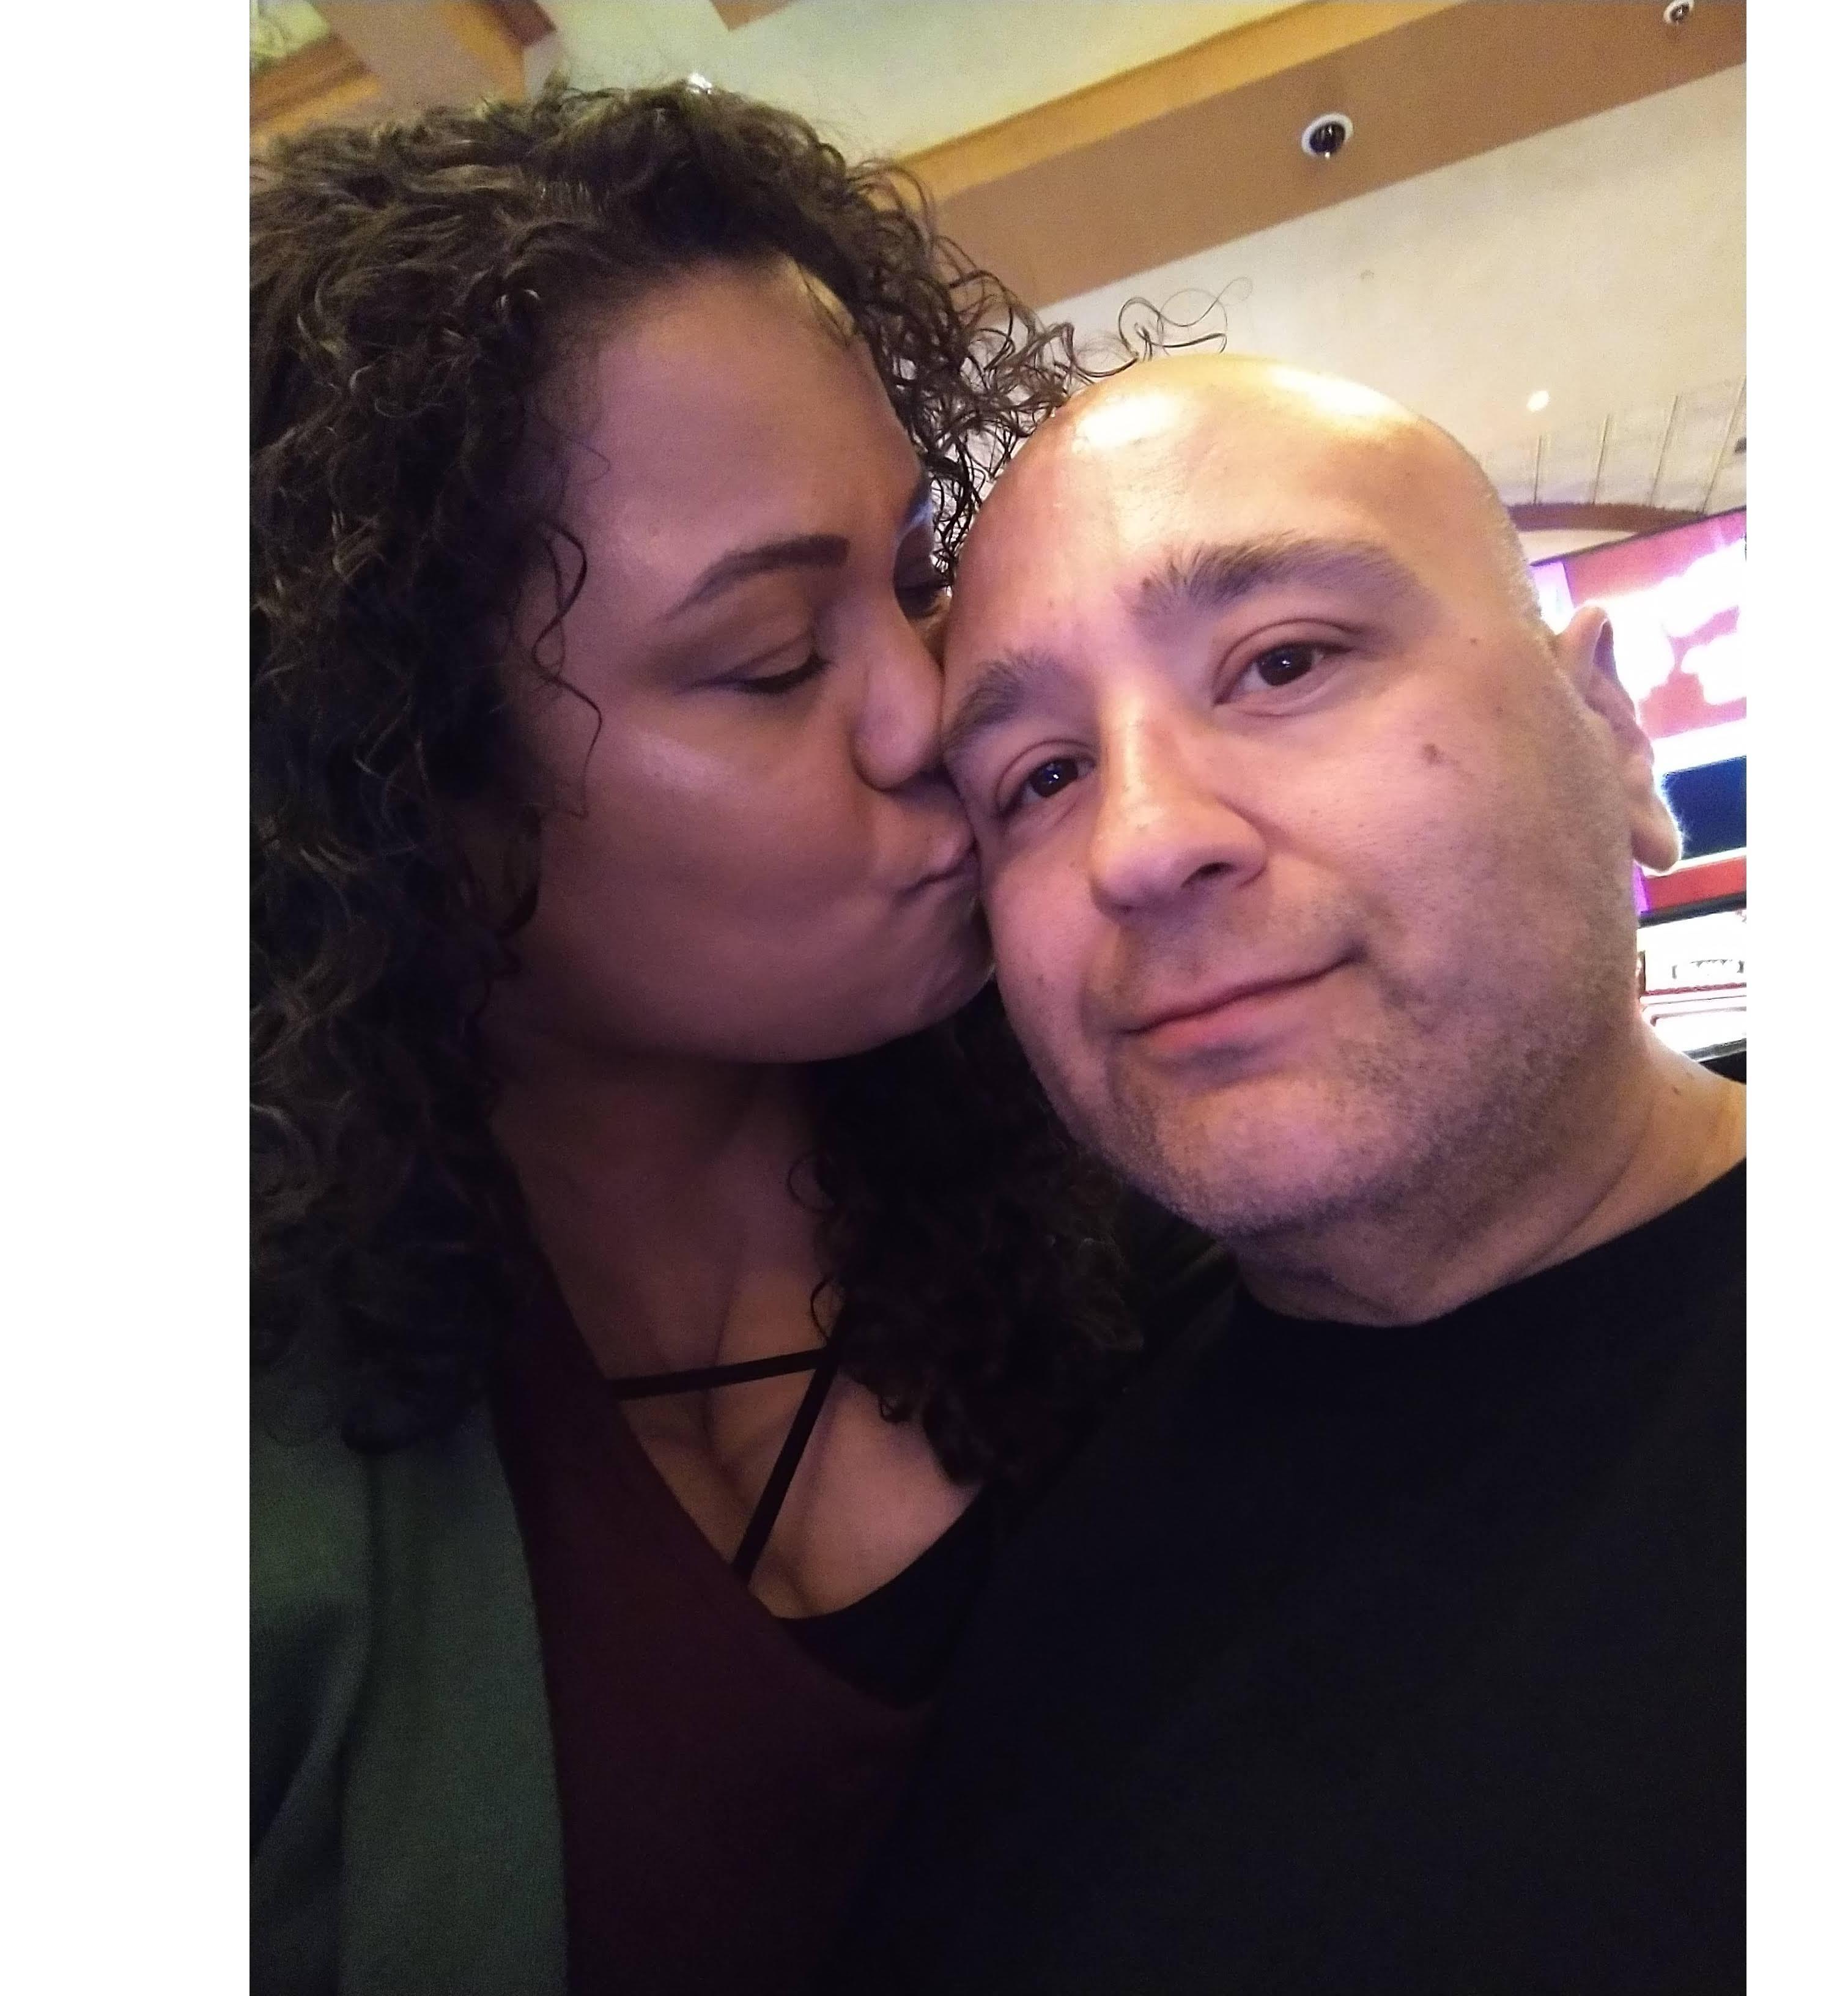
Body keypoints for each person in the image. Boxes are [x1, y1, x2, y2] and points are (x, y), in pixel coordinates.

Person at [249, 82, 1177, 1996]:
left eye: (914, 575)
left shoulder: (1138, 1116)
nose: (929, 713)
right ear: (412, 785)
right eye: (770, 662)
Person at [824, 356, 1748, 1993]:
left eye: (1284, 662)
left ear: (1610, 731)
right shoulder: (1019, 1472)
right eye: (1042, 777)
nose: (1139, 843)